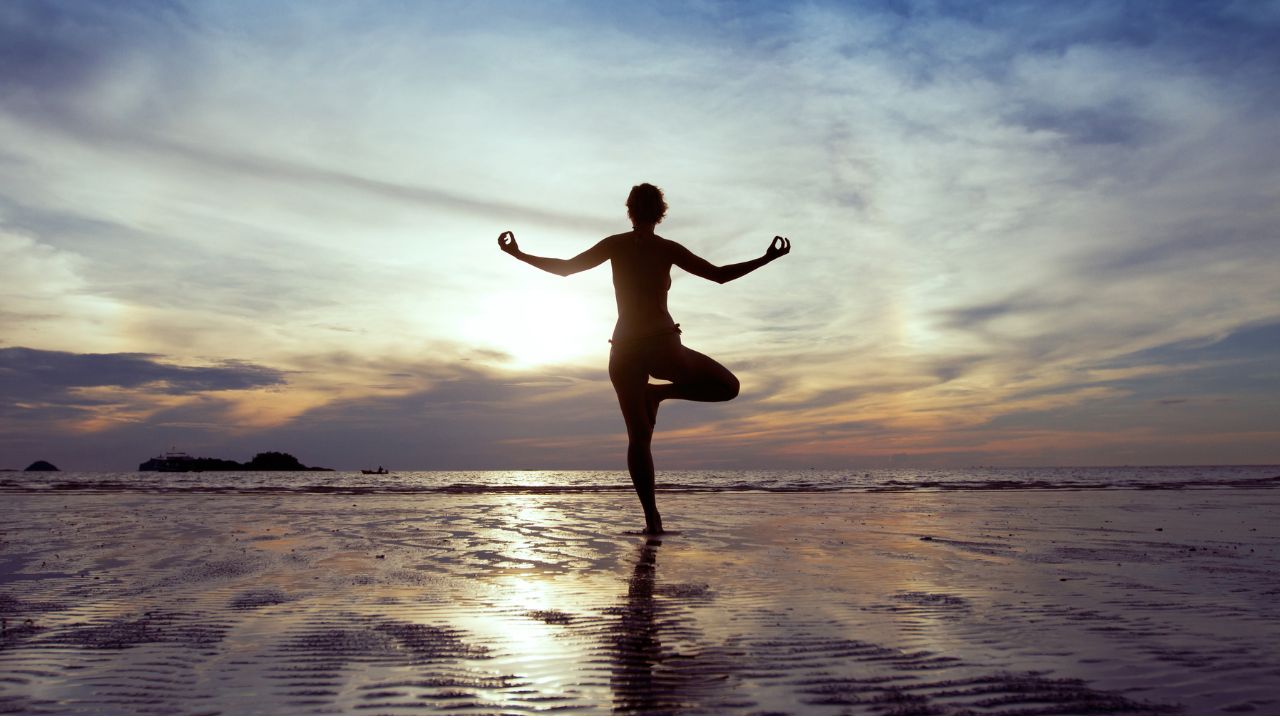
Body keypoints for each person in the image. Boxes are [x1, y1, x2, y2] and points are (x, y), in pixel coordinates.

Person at [497, 183, 791, 533]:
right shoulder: (666, 248)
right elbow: (719, 276)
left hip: (622, 350)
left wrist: (519, 254)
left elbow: (565, 269)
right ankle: (661, 393)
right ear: (660, 213)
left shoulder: (615, 245)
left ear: (630, 211)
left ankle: (652, 521)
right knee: (728, 386)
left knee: (638, 439)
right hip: (660, 345)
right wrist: (766, 258)